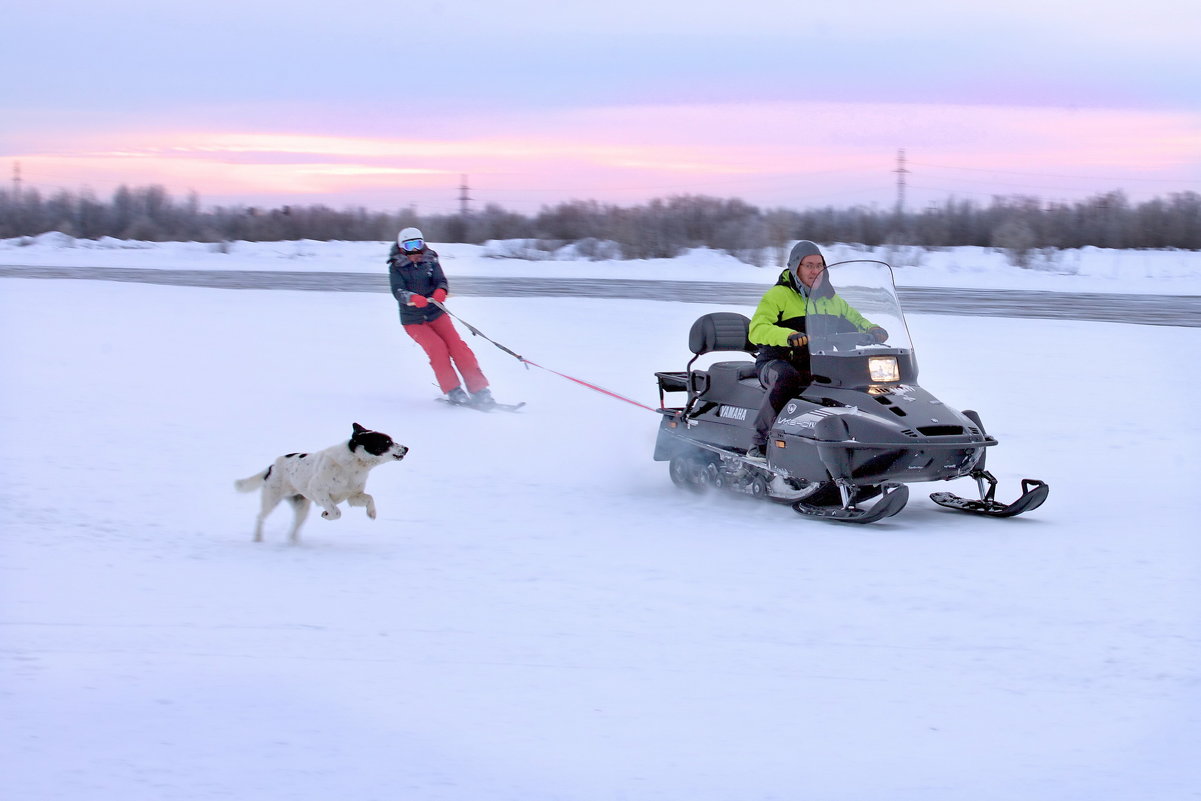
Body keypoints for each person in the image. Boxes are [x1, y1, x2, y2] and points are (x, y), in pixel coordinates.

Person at [746, 240, 887, 457]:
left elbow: (856, 319)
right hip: (776, 362)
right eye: (808, 265)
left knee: (857, 377)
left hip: (818, 362)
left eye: (819, 265)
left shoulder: (831, 300)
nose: (815, 271)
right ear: (796, 267)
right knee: (787, 377)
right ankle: (759, 442)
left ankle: (864, 439)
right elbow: (756, 329)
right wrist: (788, 335)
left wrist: (873, 329)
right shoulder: (779, 295)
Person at [387, 227, 494, 407]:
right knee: (437, 348)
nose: (415, 251)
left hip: (436, 312)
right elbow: (398, 291)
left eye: (418, 244)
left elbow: (441, 280)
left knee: (458, 347)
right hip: (413, 320)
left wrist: (441, 291)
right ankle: (453, 390)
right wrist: (412, 297)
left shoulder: (430, 259)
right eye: (410, 246)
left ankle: (480, 390)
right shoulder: (396, 267)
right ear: (401, 248)